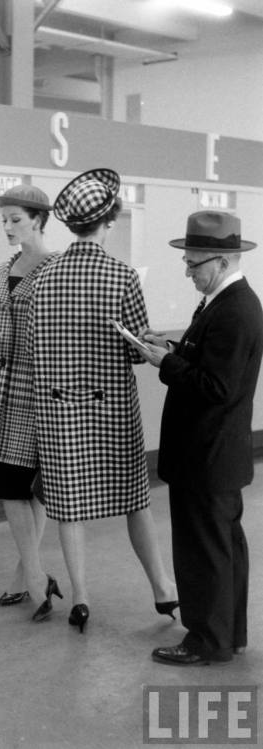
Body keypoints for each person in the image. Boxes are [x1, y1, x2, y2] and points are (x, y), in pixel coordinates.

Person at [27, 168, 177, 633]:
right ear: (108, 223)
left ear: (72, 225)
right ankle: (162, 589)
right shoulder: (123, 275)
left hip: (57, 407)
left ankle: (82, 597)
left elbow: (34, 345)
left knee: (69, 508)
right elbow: (136, 348)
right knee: (135, 500)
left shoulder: (42, 276)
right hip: (109, 405)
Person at [137, 210, 263, 665]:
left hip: (207, 455)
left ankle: (206, 641)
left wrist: (165, 365)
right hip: (214, 455)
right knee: (224, 548)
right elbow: (210, 364)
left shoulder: (235, 310)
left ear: (223, 261)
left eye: (195, 265)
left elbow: (218, 388)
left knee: (202, 552)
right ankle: (228, 633)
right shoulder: (226, 302)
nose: (189, 272)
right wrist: (171, 350)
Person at [0, 184, 62, 621]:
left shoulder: (57, 269)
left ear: (39, 220)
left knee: (32, 488)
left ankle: (28, 576)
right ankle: (32, 575)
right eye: (4, 220)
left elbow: (60, 335)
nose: (8, 227)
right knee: (9, 486)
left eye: (15, 219)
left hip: (37, 391)